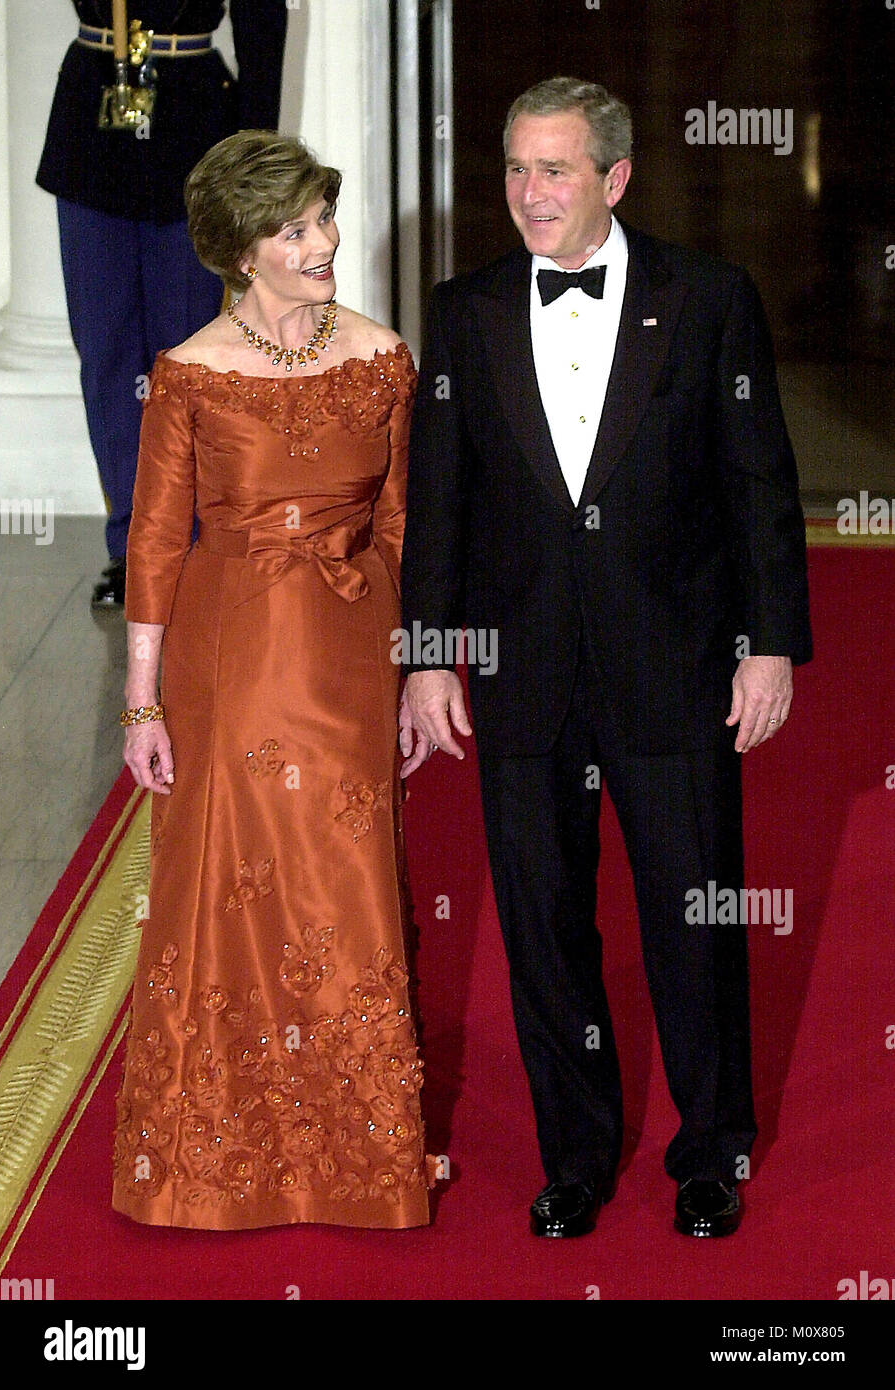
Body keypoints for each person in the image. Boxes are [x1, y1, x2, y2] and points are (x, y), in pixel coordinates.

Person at [399, 77, 811, 1239]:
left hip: (674, 667)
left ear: (615, 179)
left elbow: (757, 486)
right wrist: (429, 658)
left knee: (692, 916)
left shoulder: (709, 300)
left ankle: (709, 1149)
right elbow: (442, 502)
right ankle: (572, 1154)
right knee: (541, 923)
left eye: (556, 170)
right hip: (520, 675)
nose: (530, 194)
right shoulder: (465, 307)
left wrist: (769, 642)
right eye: (517, 168)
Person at [112, 130, 432, 1230]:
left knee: (344, 886)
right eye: (294, 229)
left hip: (350, 647)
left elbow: (402, 522)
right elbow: (155, 542)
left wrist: (415, 668)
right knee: (233, 887)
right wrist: (142, 700)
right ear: (243, 253)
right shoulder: (191, 371)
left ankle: (358, 1153)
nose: (325, 243)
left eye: (322, 219)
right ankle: (218, 1151)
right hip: (234, 657)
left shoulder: (384, 356)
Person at [36, 1, 289, 608]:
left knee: (186, 359)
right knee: (106, 355)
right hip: (93, 119)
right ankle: (132, 548)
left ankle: (191, 541)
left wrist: (253, 154)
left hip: (191, 123)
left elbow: (262, 20)